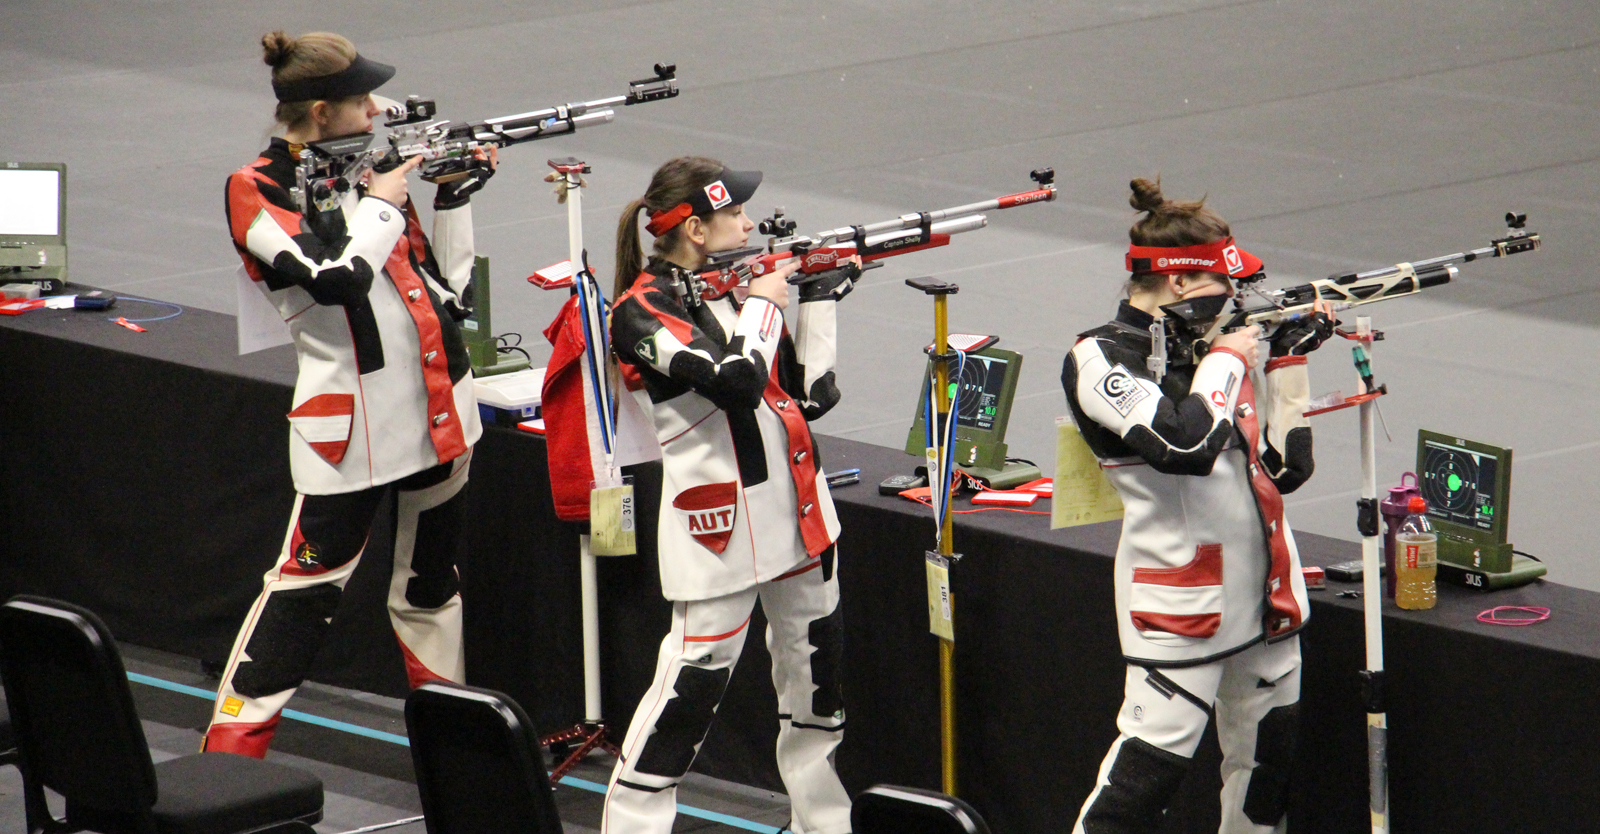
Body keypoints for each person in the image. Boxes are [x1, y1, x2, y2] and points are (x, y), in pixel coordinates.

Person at [203, 30, 494, 757]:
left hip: (438, 413)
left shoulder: (366, 171)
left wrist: (451, 198)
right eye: (362, 100)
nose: (377, 110)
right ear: (322, 112)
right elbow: (332, 278)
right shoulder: (256, 189)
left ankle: (453, 759)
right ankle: (226, 767)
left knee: (432, 589)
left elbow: (449, 291)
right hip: (352, 435)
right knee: (302, 600)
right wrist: (386, 202)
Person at [1061, 178, 1336, 833]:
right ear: (1179, 283)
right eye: (1223, 284)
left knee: (1267, 778)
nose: (1234, 301)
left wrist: (1286, 364)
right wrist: (1224, 360)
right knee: (1140, 787)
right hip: (1184, 608)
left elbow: (1283, 468)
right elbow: (1181, 443)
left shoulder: (1210, 349)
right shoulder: (1100, 357)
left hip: (1267, 597)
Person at [602, 157, 857, 834]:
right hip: (719, 533)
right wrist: (770, 303)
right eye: (735, 215)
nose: (748, 225)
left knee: (818, 704)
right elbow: (737, 381)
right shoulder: (639, 314)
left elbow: (810, 397)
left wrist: (822, 300)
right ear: (694, 229)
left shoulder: (736, 290)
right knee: (684, 703)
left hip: (801, 517)